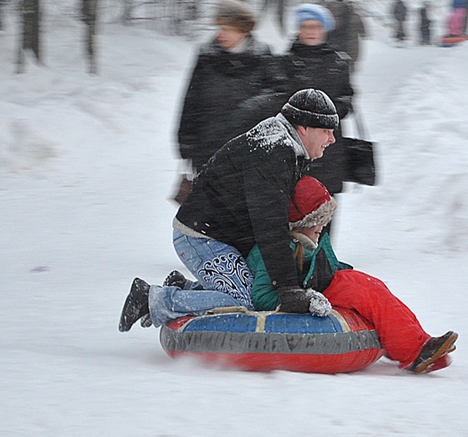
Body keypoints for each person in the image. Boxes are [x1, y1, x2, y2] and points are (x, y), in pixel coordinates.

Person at [118, 88, 340, 332]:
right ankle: (152, 300)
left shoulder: (285, 147)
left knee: (252, 291)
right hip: (202, 237)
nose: (332, 139)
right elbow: (269, 224)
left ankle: (184, 289)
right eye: (326, 131)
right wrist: (287, 288)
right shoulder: (273, 152)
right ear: (303, 128)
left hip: (220, 235)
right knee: (244, 302)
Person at [248, 175, 458, 373]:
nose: (322, 226)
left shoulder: (311, 241)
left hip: (323, 282)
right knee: (364, 293)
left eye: (325, 219)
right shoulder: (276, 250)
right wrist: (305, 300)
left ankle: (420, 341)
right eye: (318, 220)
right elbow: (262, 296)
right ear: (302, 221)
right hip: (312, 291)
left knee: (373, 286)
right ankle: (414, 352)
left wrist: (344, 270)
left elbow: (328, 263)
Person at [176, 0, 276, 176]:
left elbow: (276, 100)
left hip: (249, 154)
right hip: (208, 151)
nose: (221, 34)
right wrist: (186, 143)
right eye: (220, 28)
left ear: (244, 31)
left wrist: (254, 108)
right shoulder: (207, 57)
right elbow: (191, 101)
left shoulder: (263, 59)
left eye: (228, 29)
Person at [280, 4, 354, 236]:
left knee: (324, 205)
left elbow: (347, 97)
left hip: (328, 147)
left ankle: (323, 260)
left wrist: (327, 114)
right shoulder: (285, 62)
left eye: (316, 26)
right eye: (305, 26)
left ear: (325, 29)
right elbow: (278, 101)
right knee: (292, 204)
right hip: (293, 146)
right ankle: (294, 261)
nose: (311, 31)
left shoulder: (338, 61)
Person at [325, 0, 361, 68]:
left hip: (331, 42)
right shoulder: (350, 13)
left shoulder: (330, 9)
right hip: (345, 42)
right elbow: (360, 30)